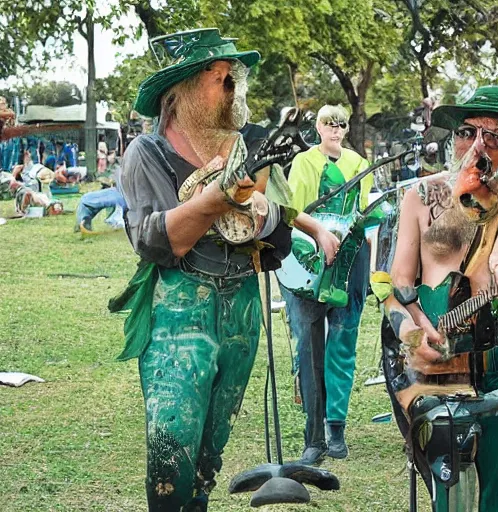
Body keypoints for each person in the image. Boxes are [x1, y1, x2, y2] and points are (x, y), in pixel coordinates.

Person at [110, 28, 341, 511]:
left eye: (232, 78)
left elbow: (278, 221)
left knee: (208, 458)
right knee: (170, 446)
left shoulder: (248, 150)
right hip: (178, 307)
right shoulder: (147, 154)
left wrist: (264, 211)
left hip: (240, 309)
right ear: (184, 90)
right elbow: (158, 239)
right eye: (219, 79)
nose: (231, 88)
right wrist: (222, 199)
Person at [381, 86, 498, 511]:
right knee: (450, 488)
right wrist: (411, 335)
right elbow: (394, 290)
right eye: (466, 132)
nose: (475, 145)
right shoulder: (420, 196)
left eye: (494, 136)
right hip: (435, 361)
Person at [281, 104, 372, 465]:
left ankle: (337, 426)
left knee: (343, 340)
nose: (335, 130)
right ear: (318, 127)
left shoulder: (358, 164)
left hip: (350, 258)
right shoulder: (303, 163)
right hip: (308, 258)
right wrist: (318, 235)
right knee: (309, 345)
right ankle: (313, 434)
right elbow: (290, 209)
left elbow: (365, 211)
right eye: (328, 124)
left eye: (341, 125)